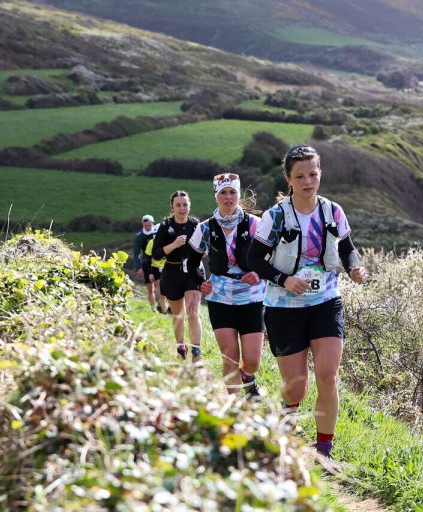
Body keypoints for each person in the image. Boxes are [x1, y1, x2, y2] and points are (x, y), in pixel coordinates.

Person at [247, 144, 368, 458]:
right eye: (299, 176)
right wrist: (285, 279)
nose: (307, 181)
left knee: (328, 376)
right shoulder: (275, 217)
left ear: (320, 174)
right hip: (284, 308)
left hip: (326, 302)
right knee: (296, 386)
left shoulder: (333, 210)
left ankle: (324, 450)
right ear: (288, 179)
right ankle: (286, 425)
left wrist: (354, 266)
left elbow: (346, 247)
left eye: (312, 174)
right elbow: (254, 258)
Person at [188, 172, 265, 395]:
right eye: (223, 192)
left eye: (233, 192)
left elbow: (272, 257)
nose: (228, 197)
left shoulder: (255, 225)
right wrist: (200, 282)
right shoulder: (204, 228)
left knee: (251, 361)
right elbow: (191, 263)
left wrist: (258, 273)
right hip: (220, 296)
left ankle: (248, 377)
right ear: (216, 196)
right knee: (229, 357)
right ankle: (233, 411)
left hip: (252, 296)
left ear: (238, 195)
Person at [151, 191, 204, 362]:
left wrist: (203, 251)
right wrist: (174, 244)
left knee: (193, 313)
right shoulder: (165, 226)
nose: (182, 208)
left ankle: (196, 351)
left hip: (193, 271)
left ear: (189, 206)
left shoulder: (196, 224)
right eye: (178, 205)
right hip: (172, 271)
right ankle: (180, 345)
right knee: (178, 314)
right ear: (172, 207)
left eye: (185, 205)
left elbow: (206, 247)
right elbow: (156, 254)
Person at [133, 214, 159, 312]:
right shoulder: (139, 236)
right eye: (146, 225)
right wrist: (138, 267)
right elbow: (136, 253)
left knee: (160, 286)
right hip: (146, 263)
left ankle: (162, 305)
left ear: (152, 223)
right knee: (150, 288)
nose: (148, 227)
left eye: (149, 225)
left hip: (158, 262)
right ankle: (153, 308)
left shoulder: (157, 233)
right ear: (143, 224)